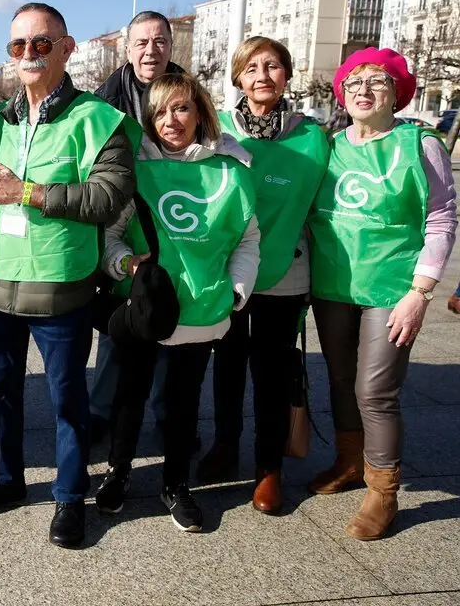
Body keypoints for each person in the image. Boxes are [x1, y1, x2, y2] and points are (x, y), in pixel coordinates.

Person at [0, 3, 136, 549]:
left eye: (41, 43)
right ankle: (7, 478)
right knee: (1, 390)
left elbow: (110, 196)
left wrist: (30, 193)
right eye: (18, 46)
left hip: (62, 286)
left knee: (67, 400)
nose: (29, 54)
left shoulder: (99, 120)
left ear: (67, 46)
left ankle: (68, 496)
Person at [94, 72, 259, 533]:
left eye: (181, 108)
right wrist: (125, 265)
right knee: (130, 395)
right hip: (144, 308)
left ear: (200, 112)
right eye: (161, 111)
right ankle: (118, 472)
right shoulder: (134, 168)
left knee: (184, 403)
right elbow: (108, 235)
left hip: (202, 309)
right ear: (148, 118)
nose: (171, 120)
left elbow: (248, 240)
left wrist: (236, 292)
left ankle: (175, 485)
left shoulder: (231, 170)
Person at [307, 47, 456, 540]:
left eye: (377, 82)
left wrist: (423, 290)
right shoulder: (331, 144)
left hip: (393, 287)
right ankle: (350, 462)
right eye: (353, 84)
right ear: (342, 95)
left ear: (397, 91)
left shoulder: (420, 145)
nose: (363, 91)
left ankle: (383, 489)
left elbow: (441, 218)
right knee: (339, 380)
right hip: (333, 285)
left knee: (375, 391)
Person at [196, 37, 329, 514]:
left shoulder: (313, 135)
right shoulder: (219, 132)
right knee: (227, 365)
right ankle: (225, 444)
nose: (262, 76)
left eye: (272, 66)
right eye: (251, 68)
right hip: (229, 270)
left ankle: (269, 467)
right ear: (237, 78)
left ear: (287, 75)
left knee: (272, 372)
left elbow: (321, 206)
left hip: (286, 272)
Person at [89, 11, 185, 443]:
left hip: (174, 220)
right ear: (127, 49)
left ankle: (169, 417)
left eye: (160, 41)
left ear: (171, 46)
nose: (152, 50)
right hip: (120, 223)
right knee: (117, 329)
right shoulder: (103, 99)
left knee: (173, 329)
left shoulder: (187, 92)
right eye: (142, 42)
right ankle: (101, 413)